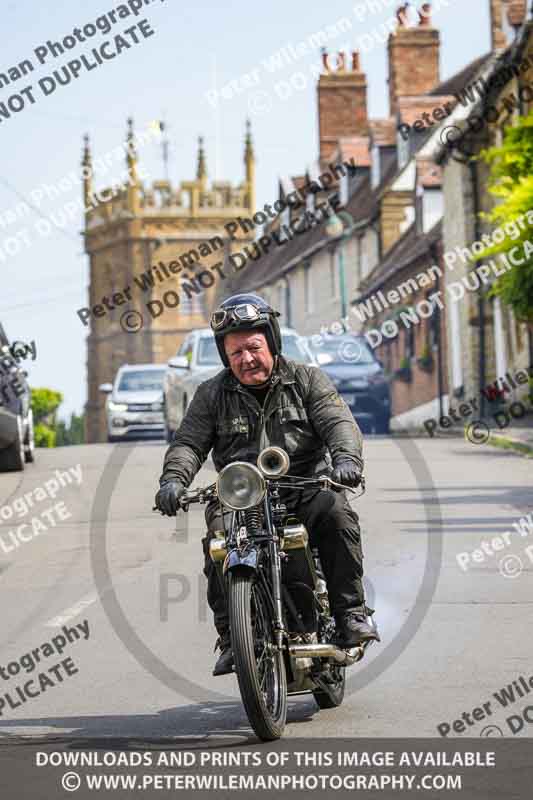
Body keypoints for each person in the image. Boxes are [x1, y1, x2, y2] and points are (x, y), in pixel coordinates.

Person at [155, 293, 379, 676]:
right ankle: (233, 638)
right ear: (225, 356)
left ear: (271, 343)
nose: (246, 358)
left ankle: (350, 614)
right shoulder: (211, 394)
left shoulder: (307, 380)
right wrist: (173, 481)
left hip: (305, 486)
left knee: (337, 513)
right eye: (236, 352)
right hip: (242, 497)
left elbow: (338, 422)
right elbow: (188, 444)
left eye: (254, 348)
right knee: (219, 542)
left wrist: (346, 461)